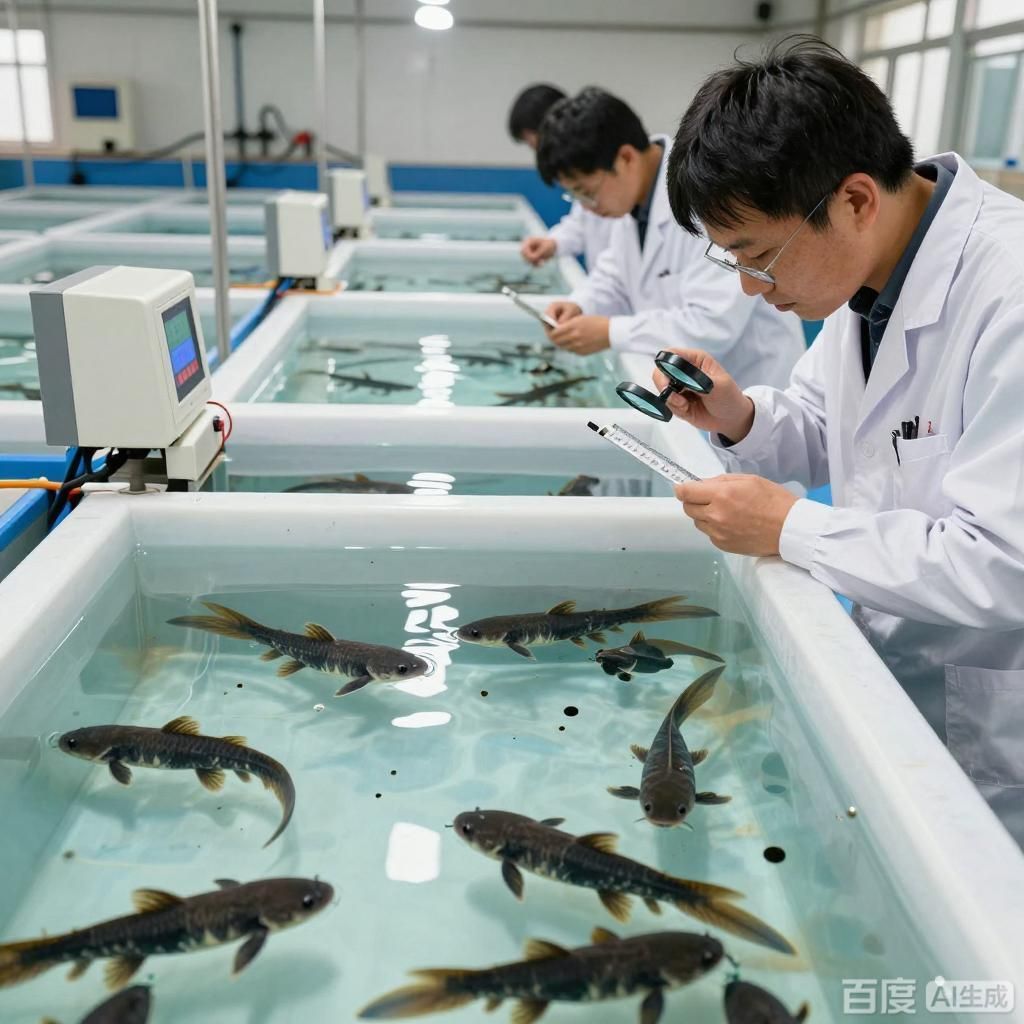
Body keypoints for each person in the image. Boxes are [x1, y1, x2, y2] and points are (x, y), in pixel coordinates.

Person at [661, 36, 1024, 846]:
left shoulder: (1010, 295)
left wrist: (792, 526)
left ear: (855, 200)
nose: (753, 288)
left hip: (998, 726)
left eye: (759, 256)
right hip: (900, 677)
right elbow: (840, 432)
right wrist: (737, 417)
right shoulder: (876, 273)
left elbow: (1006, 564)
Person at [535, 87, 804, 391]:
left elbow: (710, 324)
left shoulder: (705, 194)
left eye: (587, 191)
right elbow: (616, 275)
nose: (585, 207)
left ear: (625, 158)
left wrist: (611, 332)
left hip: (755, 385)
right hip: (695, 391)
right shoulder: (634, 202)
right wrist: (581, 304)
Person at [507, 83, 616, 271]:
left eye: (539, 146)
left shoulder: (610, 173)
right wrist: (552, 243)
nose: (544, 156)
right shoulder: (586, 175)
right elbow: (581, 223)